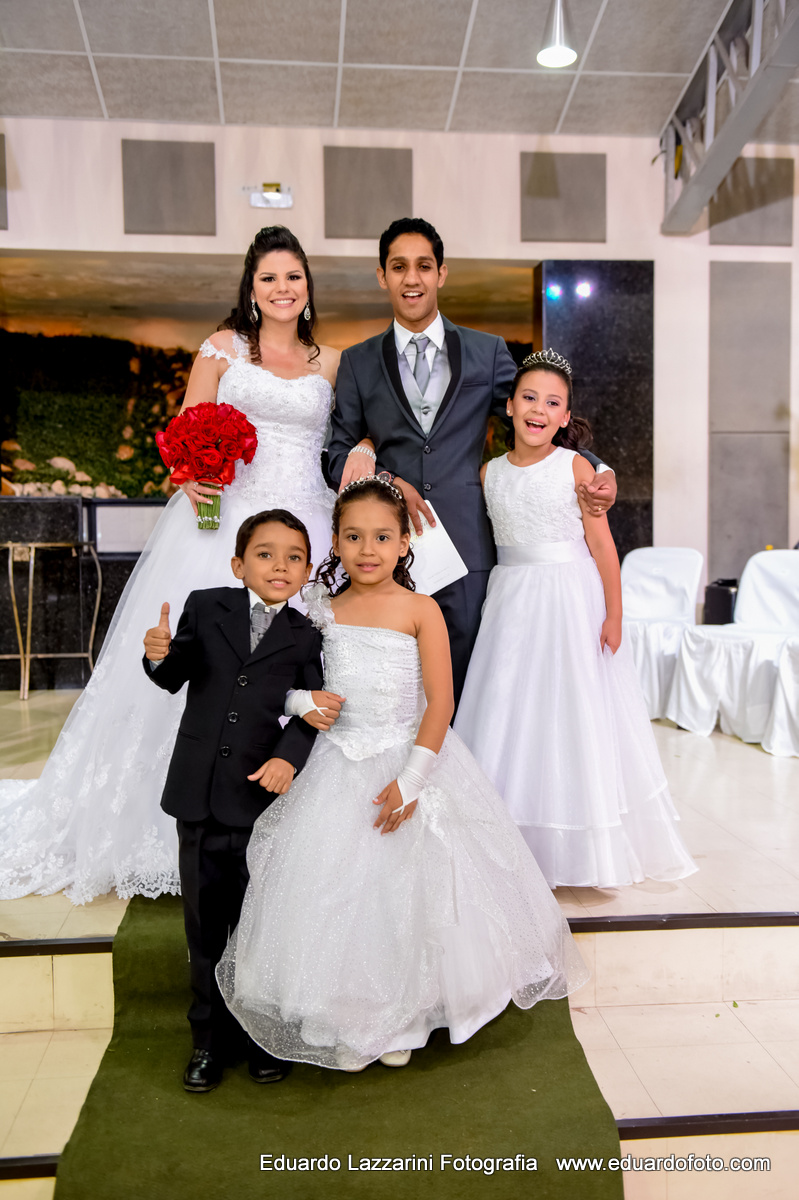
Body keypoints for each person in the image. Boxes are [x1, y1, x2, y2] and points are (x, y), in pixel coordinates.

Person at [0, 226, 342, 905]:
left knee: (308, 664)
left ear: (308, 287)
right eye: (269, 277)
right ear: (251, 289)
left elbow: (345, 437)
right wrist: (193, 474)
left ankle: (304, 821)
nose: (282, 287)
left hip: (311, 525)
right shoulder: (221, 350)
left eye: (294, 276)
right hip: (227, 524)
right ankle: (179, 818)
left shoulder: (331, 361)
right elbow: (188, 436)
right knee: (213, 660)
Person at [215, 477, 588, 1072]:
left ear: (404, 543)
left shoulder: (422, 610)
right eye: (354, 536)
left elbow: (440, 702)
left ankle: (407, 1017)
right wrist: (298, 703)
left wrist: (413, 780)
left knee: (406, 895)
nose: (368, 549)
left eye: (382, 537)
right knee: (332, 892)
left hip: (404, 758)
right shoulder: (315, 608)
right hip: (333, 762)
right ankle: (347, 1012)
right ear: (334, 543)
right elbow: (276, 683)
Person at [328, 216, 617, 703]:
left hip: (468, 549)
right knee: (396, 690)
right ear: (382, 275)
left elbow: (536, 415)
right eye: (399, 267)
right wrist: (386, 477)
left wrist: (594, 464)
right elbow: (336, 455)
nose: (412, 278)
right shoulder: (357, 362)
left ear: (441, 273)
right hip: (389, 551)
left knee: (472, 691)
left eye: (423, 266)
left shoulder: (487, 352)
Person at [454, 351, 697, 889]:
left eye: (553, 403)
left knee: (570, 711)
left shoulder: (577, 467)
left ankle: (578, 848)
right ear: (511, 407)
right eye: (530, 398)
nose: (539, 410)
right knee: (512, 710)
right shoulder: (489, 472)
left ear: (566, 417)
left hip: (568, 598)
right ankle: (508, 841)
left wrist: (614, 612)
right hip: (511, 599)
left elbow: (603, 545)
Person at [143, 509, 337, 1093]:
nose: (279, 565)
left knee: (254, 925)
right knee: (204, 926)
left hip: (258, 799)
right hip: (199, 796)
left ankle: (257, 1035)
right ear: (239, 564)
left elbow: (314, 709)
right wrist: (157, 654)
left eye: (294, 556)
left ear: (306, 570)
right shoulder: (207, 606)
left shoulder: (306, 634)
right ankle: (206, 1041)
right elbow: (173, 675)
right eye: (265, 553)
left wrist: (287, 755)